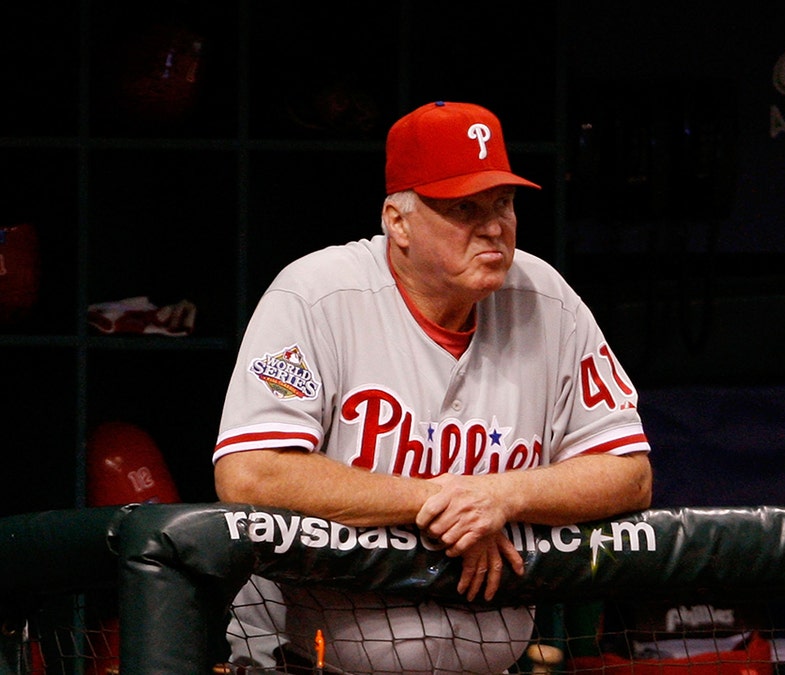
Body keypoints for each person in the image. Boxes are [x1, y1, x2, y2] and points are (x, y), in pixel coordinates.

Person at [211, 100, 653, 674]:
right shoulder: (316, 296)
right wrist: (440, 502)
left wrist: (502, 496)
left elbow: (629, 473)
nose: (494, 225)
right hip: (305, 661)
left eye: (503, 202)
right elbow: (250, 472)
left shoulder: (549, 301)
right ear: (398, 221)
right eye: (463, 207)